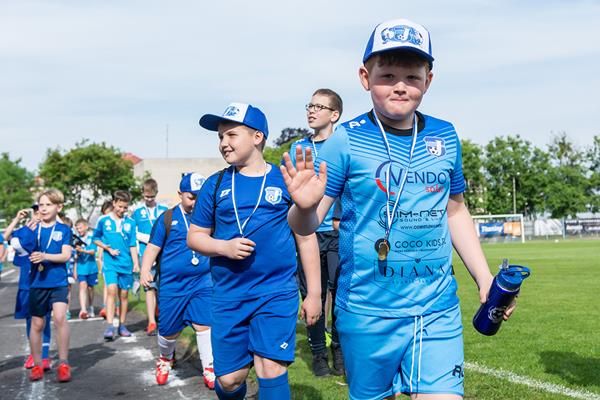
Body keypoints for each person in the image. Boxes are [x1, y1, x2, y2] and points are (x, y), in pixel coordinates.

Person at [281, 18, 518, 400]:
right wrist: (304, 206)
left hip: (436, 307)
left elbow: (455, 211)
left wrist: (484, 277)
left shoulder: (444, 135)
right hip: (367, 312)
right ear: (365, 77)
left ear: (428, 79)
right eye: (387, 75)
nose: (400, 85)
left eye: (412, 76)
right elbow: (306, 224)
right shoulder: (347, 140)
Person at [188, 102, 322, 400]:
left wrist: (314, 293)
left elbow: (305, 238)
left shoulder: (284, 180)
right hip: (229, 295)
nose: (223, 143)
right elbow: (195, 237)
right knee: (230, 380)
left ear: (257, 136)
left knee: (270, 367)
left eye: (231, 135)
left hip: (276, 291)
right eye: (220, 137)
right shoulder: (215, 184)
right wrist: (223, 246)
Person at [140, 173, 215, 389]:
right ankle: (165, 358)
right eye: (191, 197)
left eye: (200, 197)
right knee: (168, 331)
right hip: (173, 285)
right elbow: (152, 248)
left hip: (202, 281)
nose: (196, 202)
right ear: (180, 194)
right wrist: (145, 270)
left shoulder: (210, 217)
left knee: (204, 323)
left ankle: (209, 367)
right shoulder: (167, 218)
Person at [291, 88, 345, 377]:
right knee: (313, 294)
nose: (311, 111)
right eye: (309, 106)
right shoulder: (298, 149)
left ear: (334, 114)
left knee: (340, 294)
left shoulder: (346, 144)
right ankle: (318, 354)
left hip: (338, 233)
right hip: (308, 235)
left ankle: (339, 348)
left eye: (319, 106)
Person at [27, 189, 73, 382]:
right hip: (37, 282)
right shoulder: (32, 228)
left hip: (58, 282)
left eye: (48, 204)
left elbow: (66, 255)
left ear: (58, 207)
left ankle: (63, 363)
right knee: (37, 323)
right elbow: (18, 246)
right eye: (41, 205)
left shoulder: (64, 230)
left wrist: (45, 256)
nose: (44, 208)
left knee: (60, 318)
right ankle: (38, 364)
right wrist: (26, 232)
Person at [3, 206, 53, 371]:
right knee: (29, 319)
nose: (39, 215)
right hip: (26, 283)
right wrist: (17, 219)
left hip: (44, 281)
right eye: (36, 212)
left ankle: (44, 355)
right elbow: (5, 237)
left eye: (42, 211)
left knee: (44, 318)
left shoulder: (50, 230)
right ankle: (34, 353)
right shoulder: (24, 231)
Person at [93, 190, 139, 340]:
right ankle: (110, 326)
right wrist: (106, 248)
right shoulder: (103, 220)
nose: (122, 210)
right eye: (120, 206)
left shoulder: (130, 222)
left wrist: (136, 263)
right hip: (110, 263)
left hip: (126, 263)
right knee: (111, 291)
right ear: (114, 203)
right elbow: (95, 238)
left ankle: (122, 325)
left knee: (124, 295)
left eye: (125, 207)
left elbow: (133, 244)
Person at [132, 178, 168, 336]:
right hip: (145, 254)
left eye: (152, 197)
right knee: (149, 287)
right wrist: (145, 238)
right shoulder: (137, 212)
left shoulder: (164, 210)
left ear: (156, 194)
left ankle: (163, 316)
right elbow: (132, 233)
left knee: (163, 287)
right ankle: (151, 322)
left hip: (163, 254)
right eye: (146, 196)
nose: (149, 199)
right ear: (142, 193)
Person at [74, 218, 98, 319]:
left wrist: (83, 250)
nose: (79, 230)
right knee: (82, 286)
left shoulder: (92, 238)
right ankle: (83, 309)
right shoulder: (76, 240)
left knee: (90, 288)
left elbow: (93, 251)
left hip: (92, 267)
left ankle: (90, 306)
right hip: (81, 267)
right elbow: (76, 255)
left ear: (86, 227)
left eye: (80, 228)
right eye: (77, 229)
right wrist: (75, 269)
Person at [98, 200, 114, 319]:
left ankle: (115, 305)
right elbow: (99, 241)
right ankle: (105, 306)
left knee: (116, 286)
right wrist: (99, 257)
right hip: (106, 257)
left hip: (119, 257)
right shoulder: (102, 224)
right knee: (107, 284)